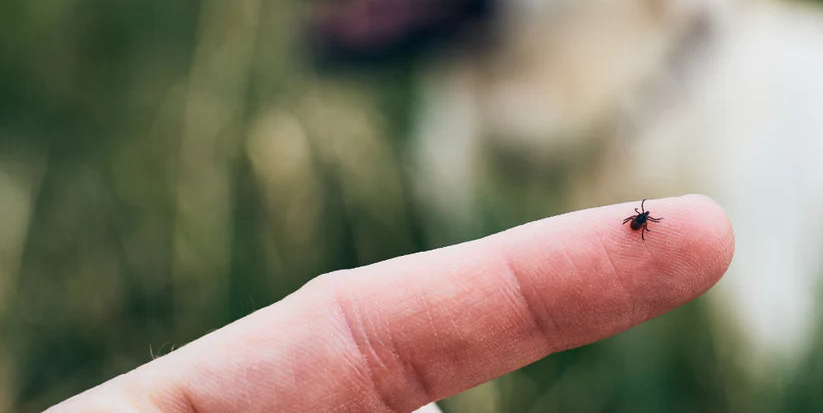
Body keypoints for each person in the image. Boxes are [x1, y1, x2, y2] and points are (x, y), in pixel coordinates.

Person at [47, 196, 734, 412]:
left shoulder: (639, 224)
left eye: (640, 220)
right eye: (641, 219)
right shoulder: (641, 224)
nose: (639, 221)